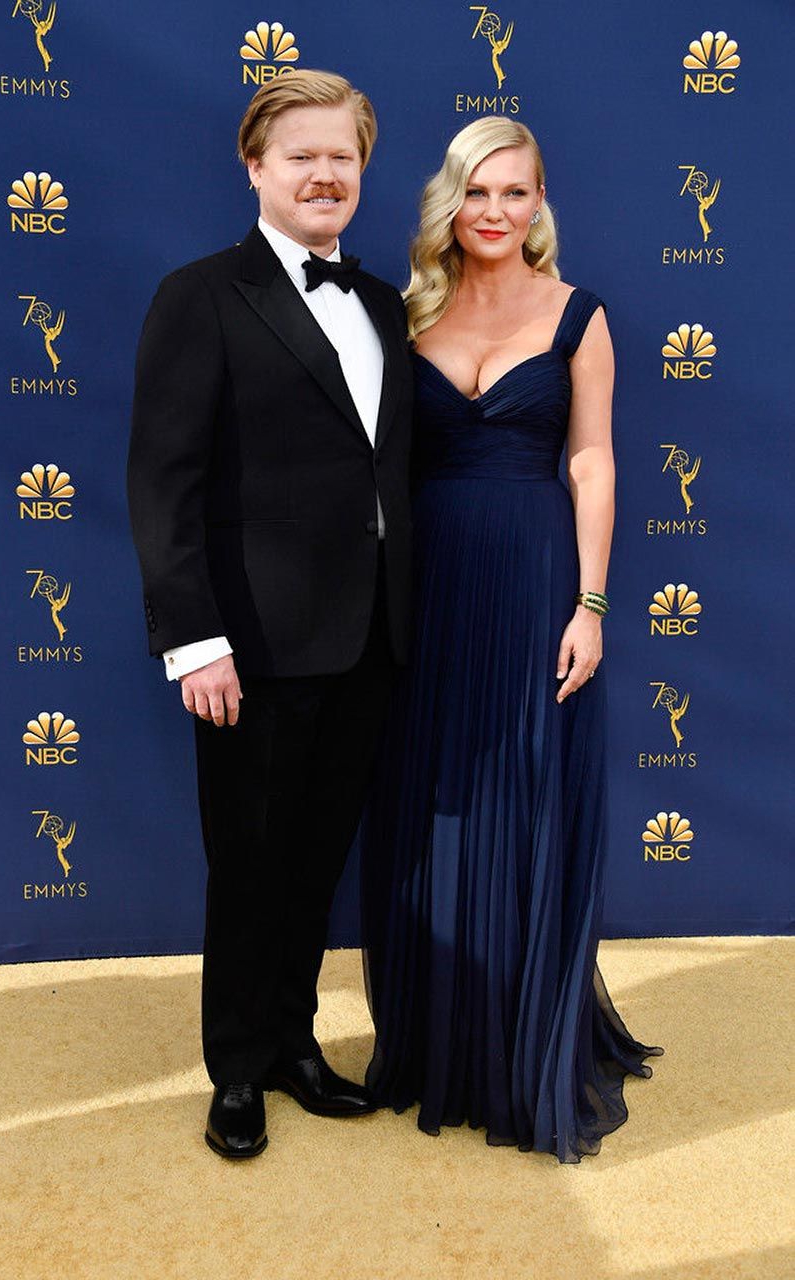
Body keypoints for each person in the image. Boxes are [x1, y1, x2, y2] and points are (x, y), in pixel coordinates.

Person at [360, 117, 662, 1163]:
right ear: (451, 202)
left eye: (514, 192)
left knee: (524, 804)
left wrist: (591, 604)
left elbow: (591, 462)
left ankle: (523, 1050)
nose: (494, 211)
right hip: (428, 590)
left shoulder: (579, 315)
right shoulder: (406, 315)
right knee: (429, 802)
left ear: (539, 203)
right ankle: (433, 1044)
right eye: (476, 192)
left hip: (536, 584)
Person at [128, 70, 412, 1159]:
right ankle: (237, 1071)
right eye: (302, 156)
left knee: (315, 861)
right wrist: (194, 641)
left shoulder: (383, 304)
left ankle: (294, 1045)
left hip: (370, 639)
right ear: (255, 167)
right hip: (250, 644)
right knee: (247, 865)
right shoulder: (199, 296)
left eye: (343, 156)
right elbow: (164, 482)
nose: (324, 174)